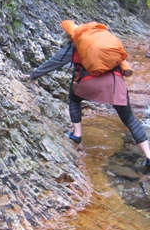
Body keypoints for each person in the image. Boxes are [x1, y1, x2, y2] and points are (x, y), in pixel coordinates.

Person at [24, 20, 150, 167]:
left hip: (91, 83)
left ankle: (77, 134)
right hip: (116, 83)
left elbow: (54, 62)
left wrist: (33, 75)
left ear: (68, 35)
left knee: (74, 99)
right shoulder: (100, 36)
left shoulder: (75, 45)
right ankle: (148, 156)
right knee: (129, 119)